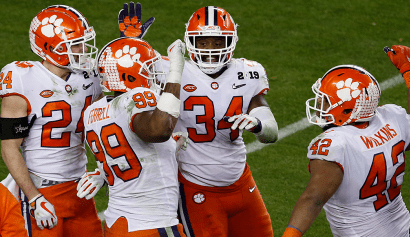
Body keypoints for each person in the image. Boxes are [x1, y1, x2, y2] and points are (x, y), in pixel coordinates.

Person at [117, 5, 279, 237]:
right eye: (202, 42)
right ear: (190, 41)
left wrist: (258, 125)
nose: (210, 49)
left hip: (242, 183)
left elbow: (271, 132)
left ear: (231, 42)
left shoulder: (248, 72)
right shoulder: (168, 69)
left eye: (217, 42)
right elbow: (122, 69)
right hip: (196, 187)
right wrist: (130, 43)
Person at [281, 46, 410, 237]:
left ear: (346, 109)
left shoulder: (336, 143)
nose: (319, 105)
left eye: (326, 101)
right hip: (407, 230)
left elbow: (313, 199)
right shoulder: (391, 119)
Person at [0, 5, 103, 237]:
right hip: (41, 189)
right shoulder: (22, 79)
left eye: (83, 42)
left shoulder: (90, 77)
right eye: (75, 44)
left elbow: (112, 119)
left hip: (80, 189)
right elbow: (9, 147)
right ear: (49, 48)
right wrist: (34, 197)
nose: (83, 49)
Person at [76, 37, 188, 237]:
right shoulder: (134, 99)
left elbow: (131, 148)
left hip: (117, 224)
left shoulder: (93, 111)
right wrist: (176, 72)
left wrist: (172, 146)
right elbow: (160, 131)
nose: (153, 74)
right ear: (128, 75)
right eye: (148, 69)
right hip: (151, 224)